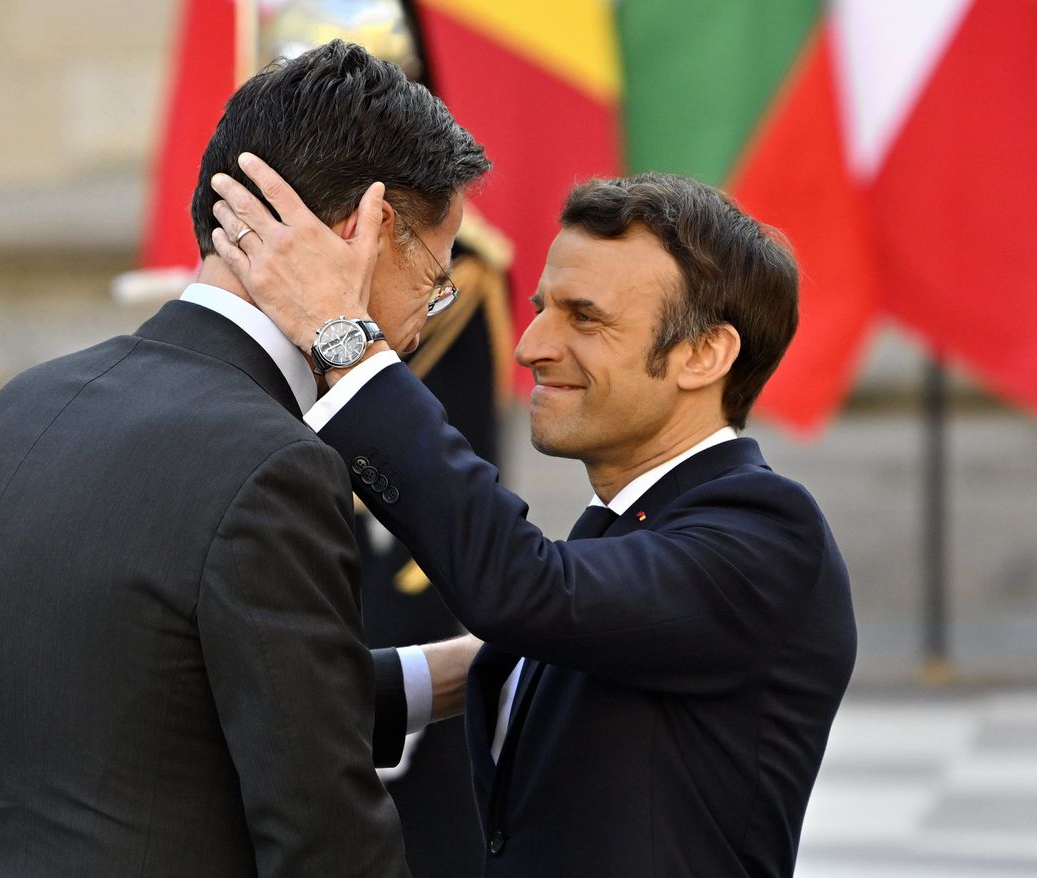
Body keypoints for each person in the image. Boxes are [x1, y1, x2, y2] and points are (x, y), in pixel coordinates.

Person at [0, 41, 489, 878]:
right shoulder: (274, 464)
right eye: (435, 277)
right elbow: (325, 838)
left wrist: (463, 671)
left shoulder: (21, 405)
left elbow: (154, 698)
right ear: (365, 231)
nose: (427, 321)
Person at [209, 157, 858, 876]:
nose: (532, 348)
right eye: (542, 308)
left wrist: (343, 341)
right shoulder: (633, 528)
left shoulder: (767, 531)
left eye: (585, 318)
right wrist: (233, 695)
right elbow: (541, 637)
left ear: (704, 354)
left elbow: (526, 593)